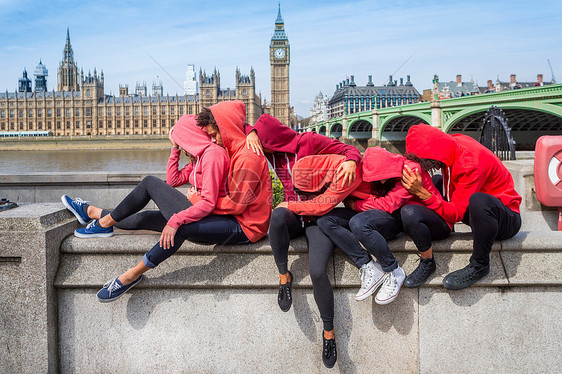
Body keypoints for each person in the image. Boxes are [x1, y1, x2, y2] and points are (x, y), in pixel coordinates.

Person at [61, 114, 249, 302]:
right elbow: (173, 180)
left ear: (190, 135)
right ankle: (91, 212)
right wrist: (174, 149)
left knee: (150, 183)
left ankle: (120, 257)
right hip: (197, 213)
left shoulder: (213, 155)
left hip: (206, 221)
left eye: (181, 139)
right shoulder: (200, 158)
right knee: (144, 218)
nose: (181, 144)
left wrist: (176, 220)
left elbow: (208, 203)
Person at [243, 114, 362, 368]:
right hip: (293, 215)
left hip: (318, 218)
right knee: (277, 216)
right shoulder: (270, 152)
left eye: (264, 146)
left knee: (318, 272)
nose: (263, 152)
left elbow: (348, 148)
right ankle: (284, 275)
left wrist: (352, 161)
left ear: (273, 141)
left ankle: (328, 332)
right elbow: (234, 121)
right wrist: (251, 131)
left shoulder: (308, 141)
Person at [317, 147, 446, 305]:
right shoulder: (362, 170)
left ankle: (393, 270)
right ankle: (368, 265)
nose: (381, 181)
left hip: (400, 217)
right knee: (326, 220)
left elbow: (389, 204)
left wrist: (356, 205)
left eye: (381, 176)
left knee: (358, 223)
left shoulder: (410, 170)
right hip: (377, 211)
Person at [401, 124, 522, 290]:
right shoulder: (451, 145)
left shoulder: (470, 163)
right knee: (436, 181)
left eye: (425, 164)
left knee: (478, 201)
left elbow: (457, 213)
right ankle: (433, 245)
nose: (426, 168)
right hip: (477, 214)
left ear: (432, 156)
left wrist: (424, 194)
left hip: (505, 218)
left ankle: (479, 265)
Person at [194, 100, 272, 244]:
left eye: (213, 135)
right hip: (239, 219)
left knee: (181, 226)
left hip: (247, 228)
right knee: (174, 216)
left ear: (225, 129)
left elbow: (235, 205)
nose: (212, 141)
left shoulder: (247, 157)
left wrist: (198, 200)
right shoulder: (234, 151)